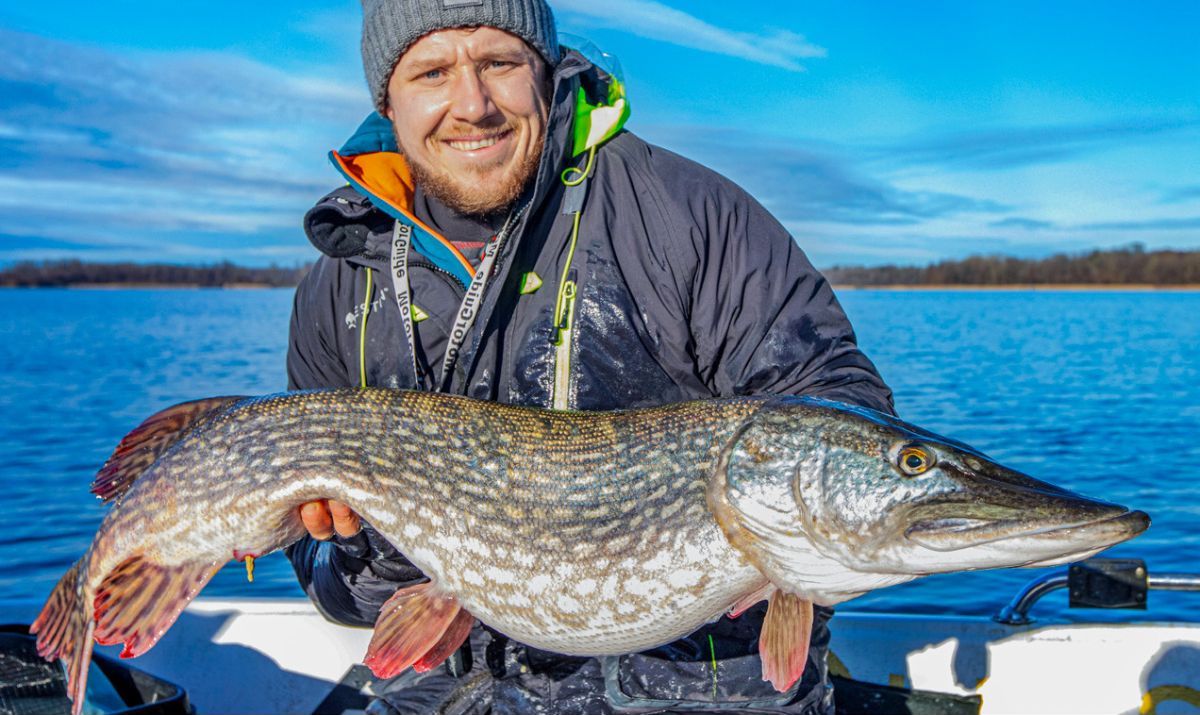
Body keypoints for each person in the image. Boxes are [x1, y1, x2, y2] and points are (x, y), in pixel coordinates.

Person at [286, 0, 894, 712]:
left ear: (543, 70)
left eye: (498, 63)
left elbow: (835, 407)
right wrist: (377, 544)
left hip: (703, 688)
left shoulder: (683, 215)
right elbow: (336, 588)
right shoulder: (340, 286)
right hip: (448, 692)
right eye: (431, 72)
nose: (472, 104)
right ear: (387, 100)